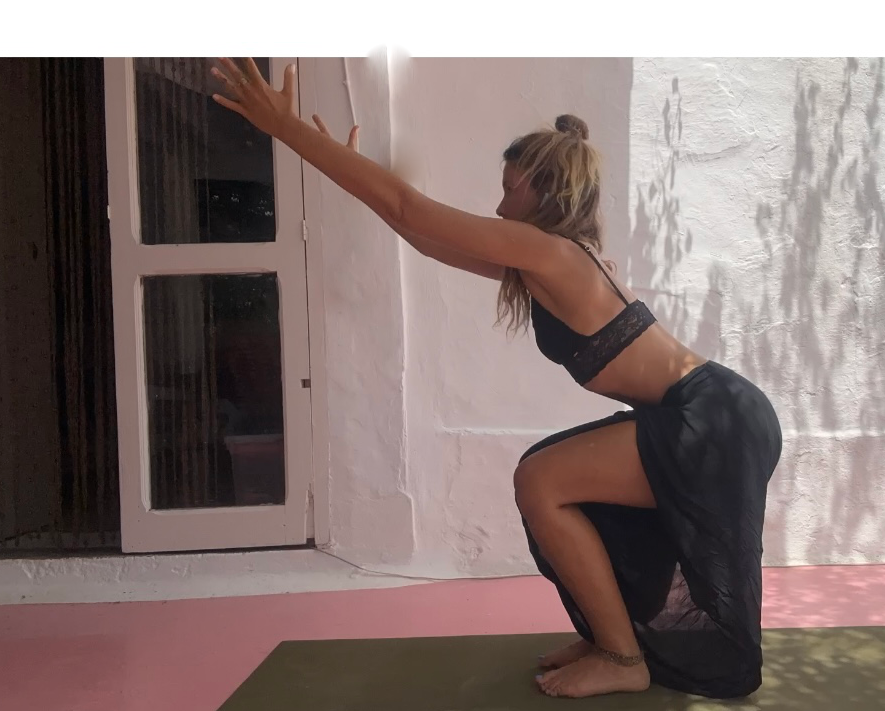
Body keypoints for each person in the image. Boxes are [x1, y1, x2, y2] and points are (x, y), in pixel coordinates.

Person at [211, 58, 782, 700]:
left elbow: (409, 205)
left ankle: (624, 658)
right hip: (713, 412)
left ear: (543, 191)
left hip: (713, 419)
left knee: (542, 480)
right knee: (552, 480)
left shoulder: (549, 252)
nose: (499, 204)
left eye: (510, 190)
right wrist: (340, 166)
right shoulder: (553, 258)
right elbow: (420, 233)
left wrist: (287, 130)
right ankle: (612, 637)